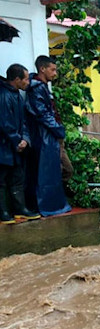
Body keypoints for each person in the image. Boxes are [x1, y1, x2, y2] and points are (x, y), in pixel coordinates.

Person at [24, 55, 72, 216]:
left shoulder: (41, 87)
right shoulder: (37, 88)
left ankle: (55, 203)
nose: (55, 73)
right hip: (46, 137)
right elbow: (43, 114)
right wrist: (58, 130)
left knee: (61, 170)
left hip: (50, 136)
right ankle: (48, 205)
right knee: (50, 172)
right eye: (52, 69)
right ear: (42, 69)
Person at [0, 64, 41, 224]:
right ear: (17, 79)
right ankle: (3, 212)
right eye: (25, 79)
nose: (28, 82)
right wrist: (18, 140)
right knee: (1, 180)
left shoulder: (17, 95)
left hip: (16, 146)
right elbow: (4, 123)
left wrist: (25, 139)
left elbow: (24, 121)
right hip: (4, 146)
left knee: (17, 178)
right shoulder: (4, 95)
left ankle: (20, 209)